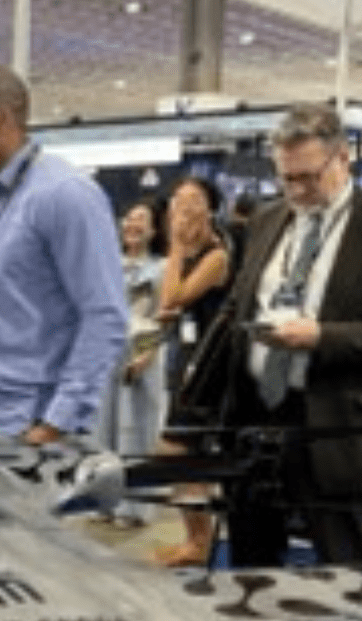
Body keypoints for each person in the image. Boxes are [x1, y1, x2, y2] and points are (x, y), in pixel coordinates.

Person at [213, 103, 362, 566]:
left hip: (336, 429)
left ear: (343, 158)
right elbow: (236, 307)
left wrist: (322, 337)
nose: (298, 191)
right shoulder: (267, 220)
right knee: (250, 571)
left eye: (309, 177)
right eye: (287, 178)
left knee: (344, 573)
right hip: (254, 424)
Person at [0, 65, 127, 445]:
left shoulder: (66, 194)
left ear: (0, 120)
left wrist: (56, 424)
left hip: (29, 426)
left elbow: (105, 316)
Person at [152, 176, 231, 566]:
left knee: (178, 451)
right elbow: (170, 308)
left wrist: (175, 247)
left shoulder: (217, 256)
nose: (182, 207)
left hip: (210, 370)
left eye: (193, 199)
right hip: (186, 363)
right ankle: (196, 540)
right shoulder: (189, 255)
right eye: (177, 199)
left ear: (210, 208)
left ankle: (199, 542)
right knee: (185, 454)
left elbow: (171, 297)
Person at [94, 199, 166, 527]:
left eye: (141, 220)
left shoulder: (161, 268)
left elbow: (160, 316)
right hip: (105, 353)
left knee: (135, 430)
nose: (132, 225)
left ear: (154, 230)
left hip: (139, 352)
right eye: (129, 219)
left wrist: (146, 354)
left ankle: (134, 508)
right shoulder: (107, 263)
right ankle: (103, 501)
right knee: (103, 430)